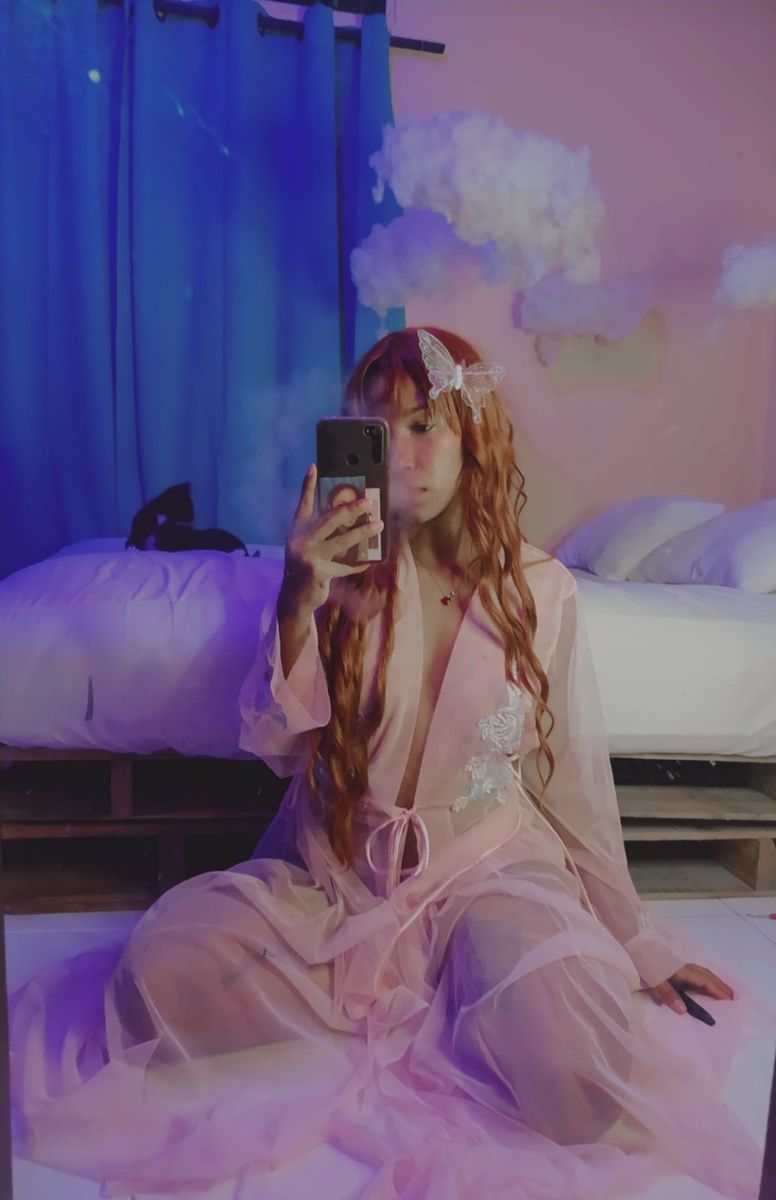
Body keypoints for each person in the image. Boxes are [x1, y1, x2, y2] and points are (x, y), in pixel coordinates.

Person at [8, 329, 764, 1199]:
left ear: (473, 432)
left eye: (422, 425)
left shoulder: (543, 590)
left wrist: (635, 939)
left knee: (577, 1078)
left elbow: (570, 789)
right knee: (155, 979)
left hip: (487, 873)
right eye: (377, 430)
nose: (401, 455)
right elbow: (280, 747)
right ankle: (422, 1004)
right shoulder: (340, 573)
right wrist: (299, 597)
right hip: (340, 881)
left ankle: (461, 988)